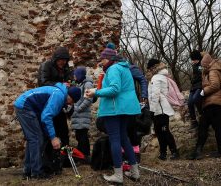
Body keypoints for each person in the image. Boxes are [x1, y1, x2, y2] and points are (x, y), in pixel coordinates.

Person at [85, 45, 141, 183]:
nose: (101, 62)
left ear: (109, 58)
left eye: (103, 60)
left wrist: (95, 92)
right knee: (124, 139)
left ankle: (118, 175)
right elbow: (117, 88)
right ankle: (135, 172)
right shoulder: (124, 68)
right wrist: (97, 89)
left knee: (115, 139)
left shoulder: (114, 68)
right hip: (125, 108)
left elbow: (115, 89)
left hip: (114, 109)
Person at [13, 83, 82, 180]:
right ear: (70, 96)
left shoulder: (60, 93)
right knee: (36, 139)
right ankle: (36, 173)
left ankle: (28, 171)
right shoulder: (59, 96)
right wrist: (53, 137)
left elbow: (45, 115)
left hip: (25, 106)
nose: (71, 104)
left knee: (33, 139)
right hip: (25, 107)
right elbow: (46, 117)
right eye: (72, 101)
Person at [188, 52, 221, 160]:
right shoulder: (210, 71)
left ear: (206, 63)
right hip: (211, 103)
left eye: (203, 65)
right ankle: (199, 151)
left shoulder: (213, 71)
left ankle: (220, 151)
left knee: (211, 127)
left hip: (214, 103)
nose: (202, 67)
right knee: (206, 126)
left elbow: (215, 85)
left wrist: (203, 92)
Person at [38, 47, 72, 149]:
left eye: (65, 60)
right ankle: (49, 159)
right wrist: (60, 84)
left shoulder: (66, 69)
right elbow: (42, 83)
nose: (63, 62)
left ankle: (65, 158)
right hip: (47, 102)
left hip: (60, 103)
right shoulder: (46, 65)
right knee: (48, 130)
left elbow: (68, 81)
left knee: (63, 131)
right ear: (56, 58)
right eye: (61, 59)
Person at [146, 58, 180, 160]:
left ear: (153, 67)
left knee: (164, 131)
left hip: (160, 109)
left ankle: (174, 152)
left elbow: (155, 95)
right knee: (160, 131)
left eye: (150, 69)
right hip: (160, 109)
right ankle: (163, 153)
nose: (149, 71)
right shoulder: (161, 76)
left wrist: (151, 110)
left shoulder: (157, 78)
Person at [70, 66, 93, 161]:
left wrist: (78, 108)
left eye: (75, 75)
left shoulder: (87, 84)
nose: (74, 77)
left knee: (82, 136)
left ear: (79, 75)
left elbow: (89, 99)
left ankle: (86, 156)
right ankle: (81, 155)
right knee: (79, 136)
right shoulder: (80, 84)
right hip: (78, 115)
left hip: (82, 114)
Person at [187, 50, 204, 130]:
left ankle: (202, 115)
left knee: (195, 99)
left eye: (194, 59)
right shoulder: (194, 65)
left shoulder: (202, 63)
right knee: (190, 102)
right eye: (192, 59)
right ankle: (194, 121)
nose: (193, 61)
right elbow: (194, 76)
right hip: (193, 86)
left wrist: (196, 66)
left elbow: (202, 73)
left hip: (200, 85)